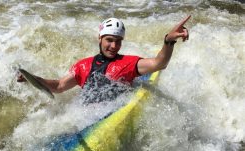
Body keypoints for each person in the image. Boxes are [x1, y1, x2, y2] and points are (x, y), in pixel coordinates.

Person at [17, 16, 191, 102]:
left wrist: (168, 40)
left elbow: (159, 63)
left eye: (118, 41)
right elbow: (59, 86)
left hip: (111, 114)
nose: (114, 46)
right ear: (100, 38)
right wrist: (33, 79)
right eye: (109, 40)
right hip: (86, 117)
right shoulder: (83, 66)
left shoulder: (129, 63)